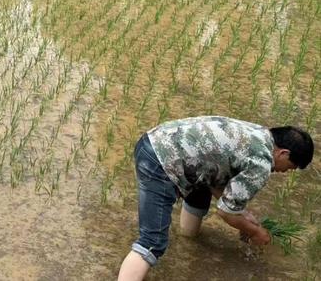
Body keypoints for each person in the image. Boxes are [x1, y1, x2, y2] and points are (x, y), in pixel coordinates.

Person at [118, 115, 315, 281]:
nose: (285, 172)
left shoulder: (260, 133)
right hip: (160, 161)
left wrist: (244, 216)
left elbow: (219, 180)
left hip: (153, 139)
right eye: (290, 167)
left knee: (202, 188)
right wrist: (256, 232)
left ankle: (188, 239)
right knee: (152, 242)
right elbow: (225, 211)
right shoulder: (262, 163)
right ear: (283, 153)